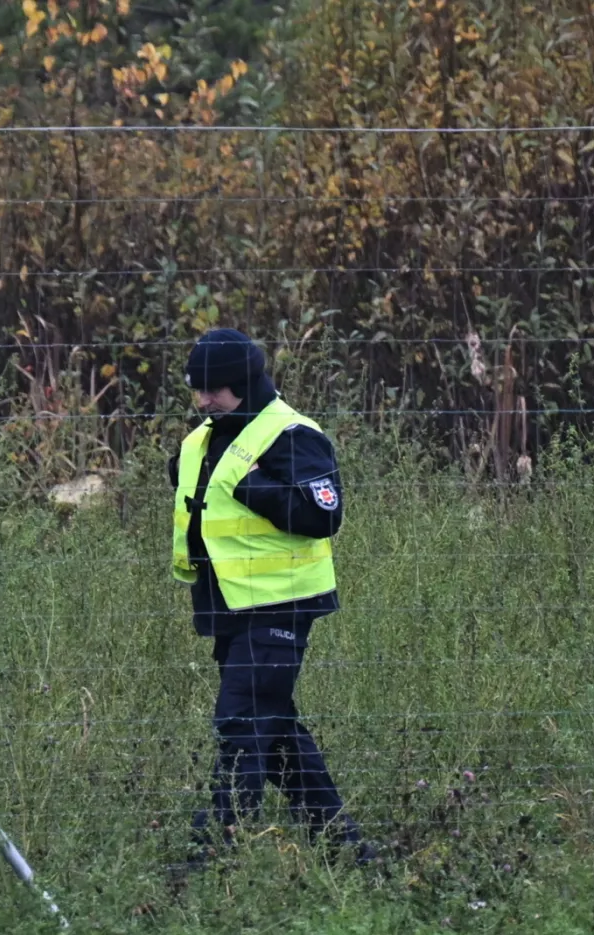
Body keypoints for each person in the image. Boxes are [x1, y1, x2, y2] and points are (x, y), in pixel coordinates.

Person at [169, 328, 372, 865]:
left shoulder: (292, 434)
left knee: (240, 727)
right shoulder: (205, 438)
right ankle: (348, 852)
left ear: (246, 384)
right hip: (228, 609)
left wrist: (253, 486)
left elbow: (324, 515)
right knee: (276, 732)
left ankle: (207, 857)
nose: (205, 400)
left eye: (215, 390)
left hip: (280, 606)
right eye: (198, 390)